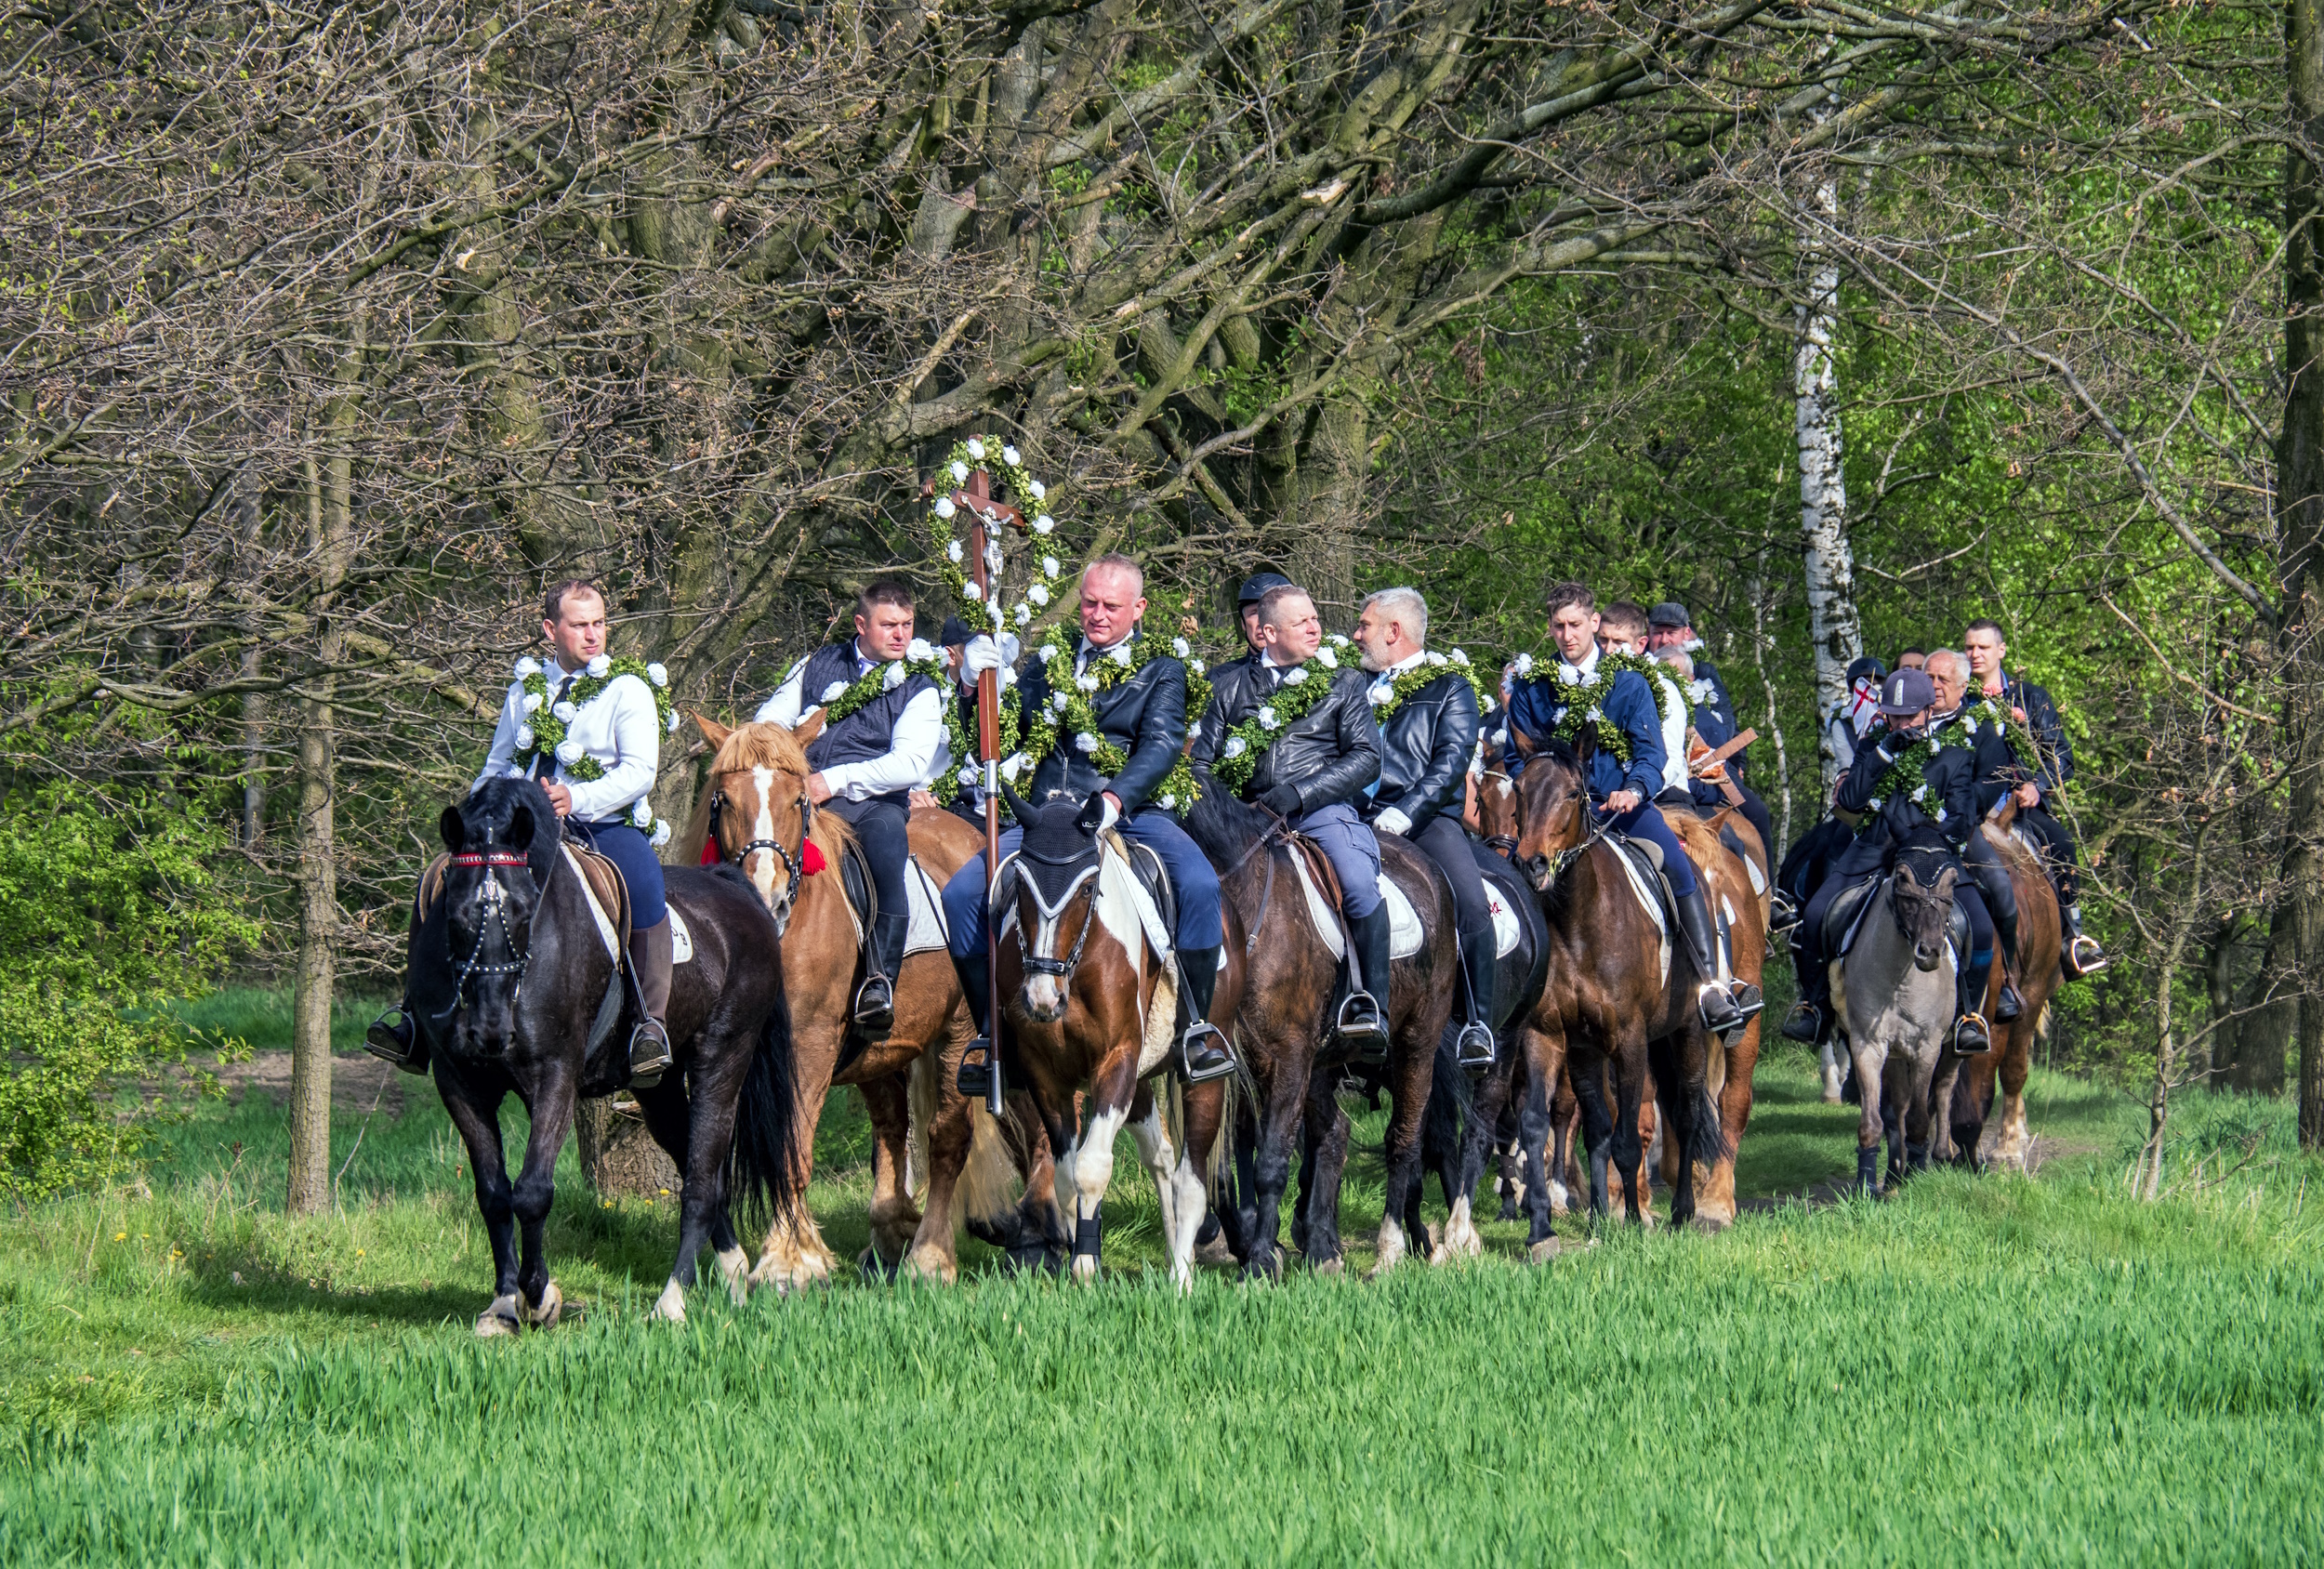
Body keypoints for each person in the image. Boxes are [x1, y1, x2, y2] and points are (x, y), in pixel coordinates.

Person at [364, 578, 676, 1085]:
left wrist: (577, 797)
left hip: (596, 825)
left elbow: (640, 771)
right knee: (439, 878)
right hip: (519, 832)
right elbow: (498, 763)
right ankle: (413, 1019)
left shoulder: (628, 689)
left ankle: (649, 1025)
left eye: (599, 623)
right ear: (552, 630)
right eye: (580, 625)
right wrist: (477, 814)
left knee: (643, 884)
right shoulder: (524, 690)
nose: (593, 635)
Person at [941, 554, 1234, 1082]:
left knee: (1198, 883)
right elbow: (995, 738)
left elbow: (1163, 743)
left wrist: (1114, 801)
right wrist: (971, 685)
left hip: (1126, 811)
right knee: (961, 895)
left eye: (1111, 606)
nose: (1097, 614)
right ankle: (993, 1034)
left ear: (1139, 608)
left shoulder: (1161, 669)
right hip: (1046, 814)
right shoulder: (1046, 664)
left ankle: (1196, 1031)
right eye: (1090, 603)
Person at [1504, 582, 1760, 1032]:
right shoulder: (1533, 687)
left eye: (1577, 625)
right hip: (1554, 817)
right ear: (1550, 628)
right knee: (1504, 874)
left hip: (1619, 808)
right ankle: (1501, 998)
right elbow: (1516, 756)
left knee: (1679, 867)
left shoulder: (1629, 683)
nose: (1568, 635)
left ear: (1594, 623)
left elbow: (1650, 753)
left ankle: (1711, 986)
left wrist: (1635, 789)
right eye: (1559, 626)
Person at [1192, 583, 1393, 1051]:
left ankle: (1369, 1004)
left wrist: (1300, 793)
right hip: (1242, 816)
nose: (1315, 627)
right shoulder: (1226, 684)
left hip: (1318, 812)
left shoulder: (1343, 682)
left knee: (1360, 885)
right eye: (1301, 621)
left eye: (1315, 617)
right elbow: (1200, 761)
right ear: (1267, 633)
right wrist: (1225, 809)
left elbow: (1366, 757)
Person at [756, 580, 944, 1033]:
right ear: (861, 624)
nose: (900, 635)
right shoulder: (815, 664)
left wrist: (834, 780)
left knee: (884, 851)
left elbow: (910, 763)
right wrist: (783, 760)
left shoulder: (920, 685)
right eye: (888, 625)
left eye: (907, 625)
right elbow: (769, 719)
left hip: (873, 802)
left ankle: (879, 980)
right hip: (801, 791)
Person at [1781, 667, 1998, 1053]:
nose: (1901, 723)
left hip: (1930, 852)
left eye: (1909, 716)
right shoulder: (1872, 747)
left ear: (1929, 711)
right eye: (1894, 715)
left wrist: (1934, 843)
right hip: (1873, 847)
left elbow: (1963, 816)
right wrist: (1884, 753)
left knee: (1979, 926)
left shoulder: (1954, 753)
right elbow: (1849, 802)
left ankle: (1967, 1016)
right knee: (1815, 913)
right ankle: (1815, 1007)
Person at [1351, 586, 1497, 1069]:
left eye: (1365, 625)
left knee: (1473, 904)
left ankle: (1479, 1023)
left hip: (1425, 821)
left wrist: (1405, 811)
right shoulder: (1352, 685)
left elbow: (1451, 761)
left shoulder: (1450, 686)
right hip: (1354, 818)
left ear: (1394, 631)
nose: (1355, 635)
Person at [1963, 618, 2106, 975]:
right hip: (1971, 805)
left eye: (1983, 647)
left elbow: (2062, 756)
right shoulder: (1958, 698)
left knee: (2062, 844)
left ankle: (2073, 936)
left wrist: (2036, 785)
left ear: (2001, 651)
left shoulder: (2031, 697)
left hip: (2021, 805)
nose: (1975, 654)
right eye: (1969, 647)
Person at [1926, 648, 2025, 1023]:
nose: (1934, 687)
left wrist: (1960, 813)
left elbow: (1991, 779)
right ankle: (1820, 1000)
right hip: (1900, 831)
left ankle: (2004, 982)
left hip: (1962, 832)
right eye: (1929, 678)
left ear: (1963, 686)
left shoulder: (1980, 727)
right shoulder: (1905, 719)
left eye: (1943, 680)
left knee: (2001, 890)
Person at [1662, 643, 1788, 924]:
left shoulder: (1708, 686)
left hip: (1710, 779)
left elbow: (1725, 730)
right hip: (1661, 790)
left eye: (1676, 676)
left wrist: (1735, 765)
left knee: (1755, 816)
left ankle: (1768, 900)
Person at [1600, 601, 1691, 809]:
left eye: (1619, 642)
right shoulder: (1590, 684)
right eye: (1603, 640)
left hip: (1665, 794)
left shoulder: (1663, 688)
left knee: (1667, 842)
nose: (1609, 649)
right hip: (1605, 795)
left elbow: (1672, 759)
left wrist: (1637, 790)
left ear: (1641, 644)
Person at [1646, 600, 1746, 778]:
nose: (1664, 640)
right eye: (1658, 633)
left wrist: (1739, 761)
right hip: (1651, 760)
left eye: (1671, 633)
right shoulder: (1637, 670)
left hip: (1706, 761)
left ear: (1686, 633)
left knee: (1756, 807)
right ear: (1648, 633)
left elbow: (1727, 722)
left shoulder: (1702, 671)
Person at [1820, 654, 1887, 777]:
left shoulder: (1892, 716)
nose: (1868, 693)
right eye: (1862, 688)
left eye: (1873, 686)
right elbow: (1846, 763)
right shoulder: (1842, 724)